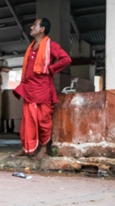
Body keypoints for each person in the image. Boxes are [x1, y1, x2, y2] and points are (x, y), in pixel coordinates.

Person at [12, 18, 72, 160]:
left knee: (43, 121)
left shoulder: (51, 45)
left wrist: (51, 69)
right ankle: (26, 148)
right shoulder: (31, 46)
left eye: (35, 25)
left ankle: (43, 149)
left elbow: (66, 59)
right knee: (27, 121)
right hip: (29, 88)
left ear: (42, 29)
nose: (31, 27)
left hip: (43, 89)